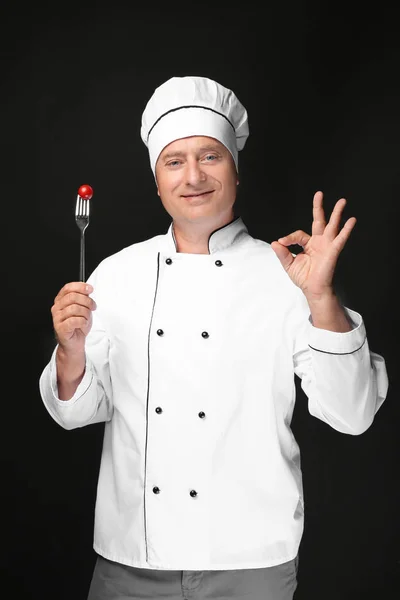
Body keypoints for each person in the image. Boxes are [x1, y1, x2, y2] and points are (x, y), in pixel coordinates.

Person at [39, 75, 389, 600]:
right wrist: (70, 353)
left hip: (253, 566)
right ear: (157, 181)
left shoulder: (287, 274)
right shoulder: (115, 274)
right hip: (132, 563)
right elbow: (77, 412)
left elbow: (354, 414)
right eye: (174, 161)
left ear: (236, 170)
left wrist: (321, 299)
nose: (193, 176)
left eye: (211, 156)